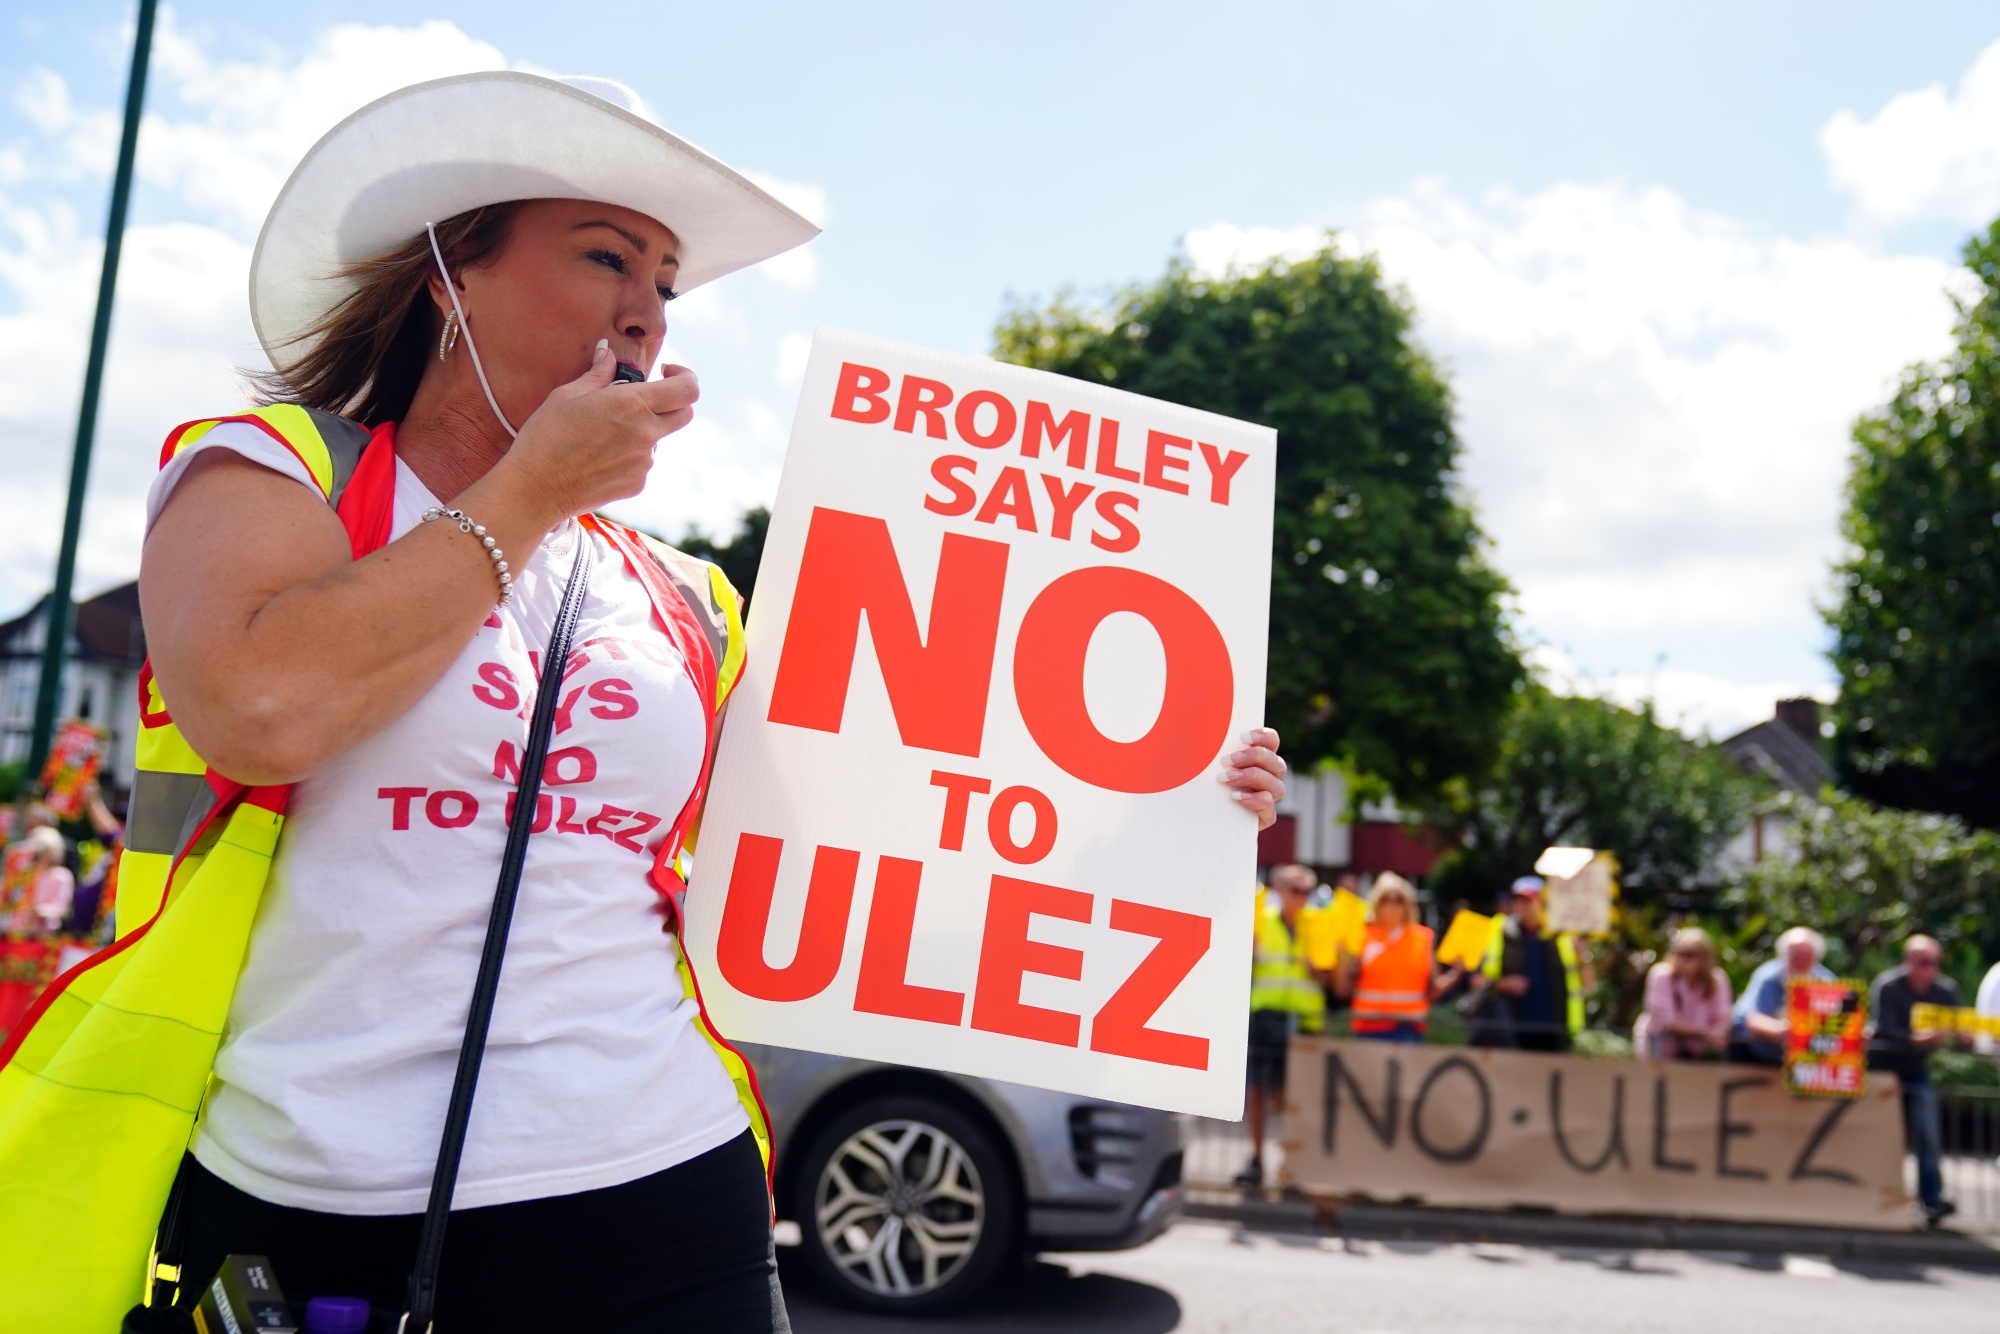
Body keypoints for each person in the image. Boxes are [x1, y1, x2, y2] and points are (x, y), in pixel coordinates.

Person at [7, 70, 1300, 1328]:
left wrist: (1175, 800)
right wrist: (529, 491)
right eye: (605, 259)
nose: (648, 314)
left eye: (665, 283)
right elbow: (259, 710)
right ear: (453, 270)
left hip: (663, 1179)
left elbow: (900, 825)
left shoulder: (683, 596)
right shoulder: (268, 471)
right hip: (317, 1188)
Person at [1869, 935, 1970, 1225]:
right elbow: (1885, 1030)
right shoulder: (1888, 986)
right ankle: (1874, 1198)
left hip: (1915, 1073)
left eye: (1935, 963)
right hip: (1881, 1072)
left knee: (1927, 1135)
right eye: (1923, 962)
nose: (1930, 969)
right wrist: (1920, 1038)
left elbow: (1962, 1033)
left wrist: (1964, 1036)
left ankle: (1931, 1199)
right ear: (1908, 961)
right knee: (1879, 1138)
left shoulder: (1945, 991)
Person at [1241, 863, 1328, 1185]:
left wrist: (1320, 968)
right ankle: (1257, 1158)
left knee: (1297, 1096)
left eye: (1307, 892)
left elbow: (1334, 979)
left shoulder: (1320, 925)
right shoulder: (1260, 922)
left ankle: (1293, 1164)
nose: (1302, 898)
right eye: (1296, 890)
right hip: (1268, 1016)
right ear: (1278, 890)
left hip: (1305, 1019)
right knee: (1259, 1093)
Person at [1334, 872, 1459, 1043]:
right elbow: (1343, 988)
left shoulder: (1422, 938)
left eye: (1399, 899)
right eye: (1386, 899)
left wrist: (1458, 971)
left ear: (1407, 904)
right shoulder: (1363, 936)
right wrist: (1341, 957)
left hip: (1408, 1029)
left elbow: (1435, 988)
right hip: (1368, 1027)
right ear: (1377, 903)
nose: (1392, 905)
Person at [1480, 876, 1592, 1052]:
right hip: (1512, 1029)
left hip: (1555, 1030)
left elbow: (1587, 984)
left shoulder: (1563, 935)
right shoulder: (1500, 931)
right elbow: (1479, 980)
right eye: (1517, 899)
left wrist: (1583, 956)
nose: (1521, 905)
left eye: (1527, 900)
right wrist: (1502, 984)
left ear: (1543, 901)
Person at [1729, 926, 1832, 1065]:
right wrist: (1781, 1029)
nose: (1801, 959)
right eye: (1794, 953)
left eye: (1807, 954)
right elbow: (1752, 1019)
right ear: (1782, 954)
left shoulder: (1826, 980)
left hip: (1804, 1063)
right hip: (1758, 1057)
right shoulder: (1768, 977)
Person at [1632, 927, 1732, 1060]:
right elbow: (1667, 1021)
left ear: (1704, 957)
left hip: (1698, 1054)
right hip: (1659, 1050)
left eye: (1689, 954)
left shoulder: (1716, 980)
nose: (1681, 958)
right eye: (1678, 952)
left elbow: (1724, 1017)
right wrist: (1706, 1032)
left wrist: (1719, 1031)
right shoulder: (1661, 975)